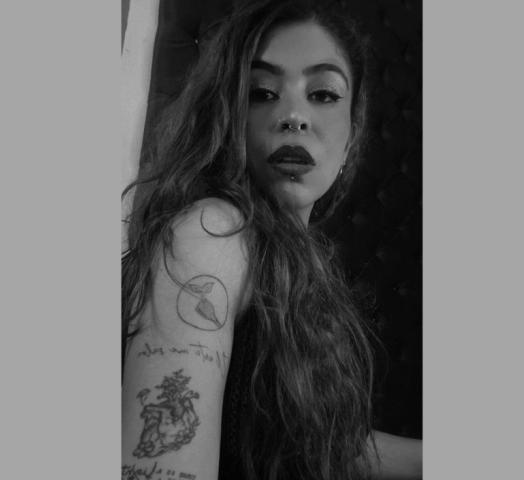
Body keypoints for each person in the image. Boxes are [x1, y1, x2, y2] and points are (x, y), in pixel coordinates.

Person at [121, 0, 422, 479]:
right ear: (229, 118)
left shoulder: (296, 263)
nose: (294, 115)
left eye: (323, 94)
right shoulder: (211, 233)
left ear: (351, 138)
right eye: (262, 93)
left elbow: (316, 444)